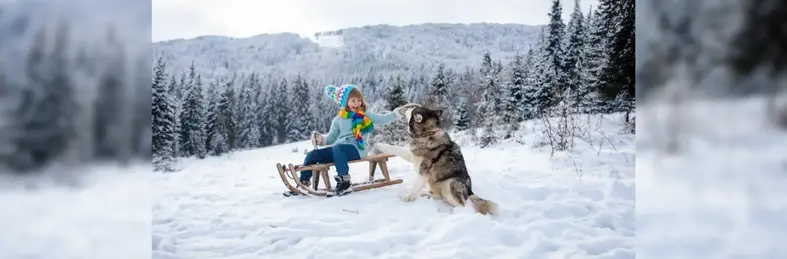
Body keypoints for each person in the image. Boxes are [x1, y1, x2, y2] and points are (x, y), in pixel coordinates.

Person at [298, 84, 411, 196]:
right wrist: (321, 140)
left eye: (359, 100)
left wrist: (397, 113)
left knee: (338, 148)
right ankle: (303, 182)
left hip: (357, 149)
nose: (357, 103)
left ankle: (345, 182)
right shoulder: (338, 120)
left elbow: (382, 119)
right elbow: (331, 138)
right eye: (353, 100)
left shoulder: (364, 115)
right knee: (312, 155)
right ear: (345, 102)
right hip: (339, 151)